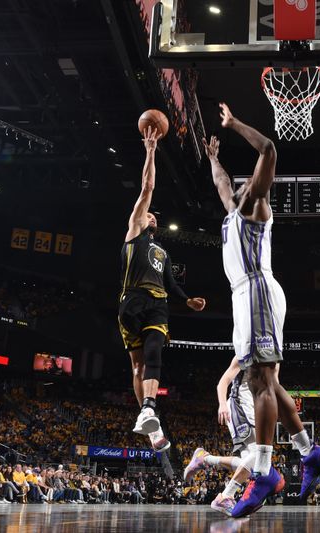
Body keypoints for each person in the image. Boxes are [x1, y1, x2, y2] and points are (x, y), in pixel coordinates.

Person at [203, 103, 320, 518]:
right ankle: (309, 453)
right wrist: (214, 159)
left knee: (259, 379)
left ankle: (262, 472)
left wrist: (235, 123)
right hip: (244, 296)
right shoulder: (232, 210)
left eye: (243, 185)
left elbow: (270, 150)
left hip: (258, 288)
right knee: (270, 383)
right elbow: (222, 182)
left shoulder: (256, 207)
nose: (236, 187)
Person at [119, 126, 207, 452]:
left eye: (155, 215)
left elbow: (171, 284)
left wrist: (188, 300)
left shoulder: (163, 253)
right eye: (149, 213)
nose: (152, 215)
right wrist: (151, 150)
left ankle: (149, 414)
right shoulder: (134, 233)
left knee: (155, 351)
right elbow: (147, 187)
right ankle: (147, 414)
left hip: (158, 302)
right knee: (137, 365)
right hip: (131, 299)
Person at [183, 356, 280, 516]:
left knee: (250, 465)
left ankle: (204, 458)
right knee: (258, 454)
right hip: (239, 404)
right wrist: (222, 404)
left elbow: (273, 388)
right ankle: (226, 495)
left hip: (255, 409)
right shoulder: (247, 351)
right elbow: (223, 382)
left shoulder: (275, 358)